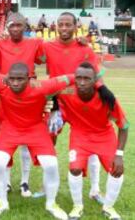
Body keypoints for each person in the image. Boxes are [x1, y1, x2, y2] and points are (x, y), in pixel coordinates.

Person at [0, 61, 73, 219]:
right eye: (12, 78)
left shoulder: (42, 86)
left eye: (20, 79)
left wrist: (98, 83)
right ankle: (2, 203)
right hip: (10, 129)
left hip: (36, 129)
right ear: (7, 77)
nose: (15, 83)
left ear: (29, 78)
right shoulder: (1, 82)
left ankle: (51, 204)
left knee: (51, 164)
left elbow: (73, 77)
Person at [40, 12, 103, 203]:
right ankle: (46, 186)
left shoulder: (86, 49)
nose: (64, 28)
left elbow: (97, 77)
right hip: (57, 102)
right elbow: (22, 50)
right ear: (55, 26)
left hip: (81, 103)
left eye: (68, 24)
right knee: (48, 144)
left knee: (91, 145)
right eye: (61, 24)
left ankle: (95, 189)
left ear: (76, 27)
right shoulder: (47, 46)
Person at [58, 62, 128, 220]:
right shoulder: (68, 91)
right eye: (79, 78)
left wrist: (119, 154)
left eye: (87, 79)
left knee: (117, 171)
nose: (82, 82)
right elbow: (45, 90)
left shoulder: (107, 97)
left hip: (104, 136)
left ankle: (108, 207)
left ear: (95, 80)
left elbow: (124, 126)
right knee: (75, 169)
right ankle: (78, 206)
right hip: (80, 136)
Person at [0, 13, 44, 196]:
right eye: (12, 25)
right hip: (7, 98)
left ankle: (24, 182)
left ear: (25, 26)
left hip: (29, 98)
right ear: (6, 27)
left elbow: (46, 57)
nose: (15, 29)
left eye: (19, 25)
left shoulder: (34, 43)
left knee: (27, 141)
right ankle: (5, 182)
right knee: (5, 138)